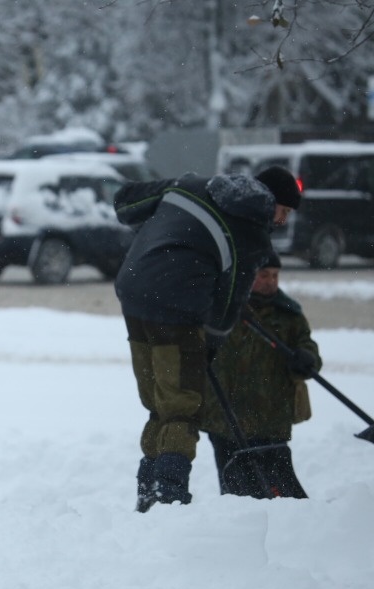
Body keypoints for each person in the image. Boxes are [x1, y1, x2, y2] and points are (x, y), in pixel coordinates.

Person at [113, 166, 301, 512]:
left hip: (133, 290)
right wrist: (211, 345)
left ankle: (149, 490)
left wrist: (162, 239)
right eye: (284, 210)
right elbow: (230, 301)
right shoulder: (252, 231)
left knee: (160, 402)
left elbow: (125, 202)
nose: (282, 220)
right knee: (183, 407)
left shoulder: (192, 184)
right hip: (179, 307)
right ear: (270, 200)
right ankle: (168, 496)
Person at [201, 253, 321, 499]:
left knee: (276, 483)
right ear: (247, 276)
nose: (271, 282)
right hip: (224, 416)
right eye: (264, 275)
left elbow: (307, 345)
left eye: (275, 276)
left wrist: (306, 358)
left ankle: (285, 514)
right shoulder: (222, 308)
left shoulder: (288, 314)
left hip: (270, 416)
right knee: (234, 484)